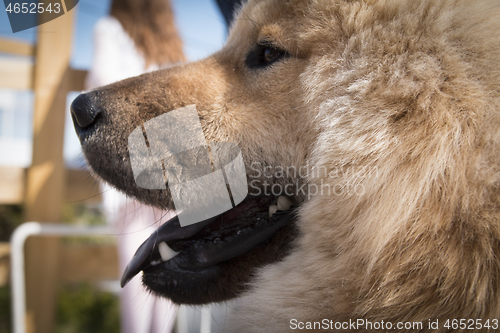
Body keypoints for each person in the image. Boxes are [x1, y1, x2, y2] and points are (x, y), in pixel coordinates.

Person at [85, 1, 185, 332]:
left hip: (130, 148)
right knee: (169, 259)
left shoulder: (109, 30)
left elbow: (104, 81)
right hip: (175, 148)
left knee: (135, 261)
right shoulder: (173, 43)